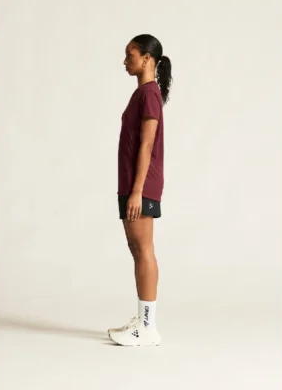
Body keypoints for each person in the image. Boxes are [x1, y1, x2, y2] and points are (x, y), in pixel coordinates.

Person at [108, 34, 172, 346]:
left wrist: (136, 191)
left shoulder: (149, 94)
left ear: (147, 58)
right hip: (132, 184)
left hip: (141, 185)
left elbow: (147, 145)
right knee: (137, 249)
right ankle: (143, 321)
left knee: (143, 249)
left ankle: (147, 327)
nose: (125, 61)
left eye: (130, 55)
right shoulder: (143, 93)